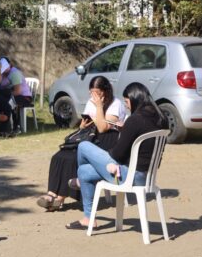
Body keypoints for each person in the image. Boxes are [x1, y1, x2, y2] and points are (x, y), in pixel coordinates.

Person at [66, 82, 166, 230]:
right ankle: (88, 218)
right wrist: (126, 131)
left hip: (130, 176)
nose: (126, 106)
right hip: (147, 175)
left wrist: (123, 132)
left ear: (135, 99)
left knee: (83, 146)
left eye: (126, 101)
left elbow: (118, 155)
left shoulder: (135, 120)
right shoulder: (161, 118)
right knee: (84, 172)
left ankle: (81, 183)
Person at [36, 76, 126, 211]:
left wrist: (99, 107)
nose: (93, 96)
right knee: (59, 156)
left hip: (107, 139)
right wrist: (83, 125)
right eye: (91, 92)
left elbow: (103, 128)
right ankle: (52, 194)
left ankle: (60, 199)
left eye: (97, 93)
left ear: (105, 91)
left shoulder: (115, 104)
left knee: (74, 157)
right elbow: (87, 124)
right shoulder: (91, 102)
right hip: (90, 135)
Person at [0, 57, 32, 134]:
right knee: (0, 100)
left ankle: (16, 127)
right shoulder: (2, 74)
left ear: (9, 65)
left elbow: (18, 92)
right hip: (14, 95)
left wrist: (7, 93)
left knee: (10, 102)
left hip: (24, 97)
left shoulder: (14, 73)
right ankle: (0, 126)